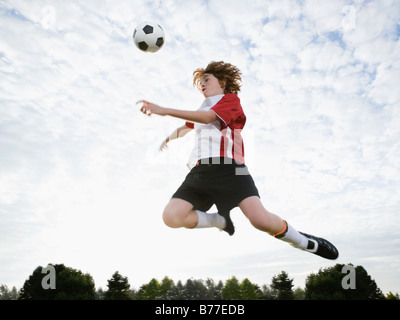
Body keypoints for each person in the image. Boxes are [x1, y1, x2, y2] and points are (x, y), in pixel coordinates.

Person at [138, 61, 338, 260]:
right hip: (201, 171)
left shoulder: (229, 100)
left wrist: (164, 110)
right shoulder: (202, 108)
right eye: (200, 83)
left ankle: (305, 242)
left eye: (206, 80)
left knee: (260, 220)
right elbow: (187, 126)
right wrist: (169, 138)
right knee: (172, 217)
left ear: (223, 82)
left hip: (232, 168)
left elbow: (207, 118)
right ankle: (219, 220)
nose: (202, 85)